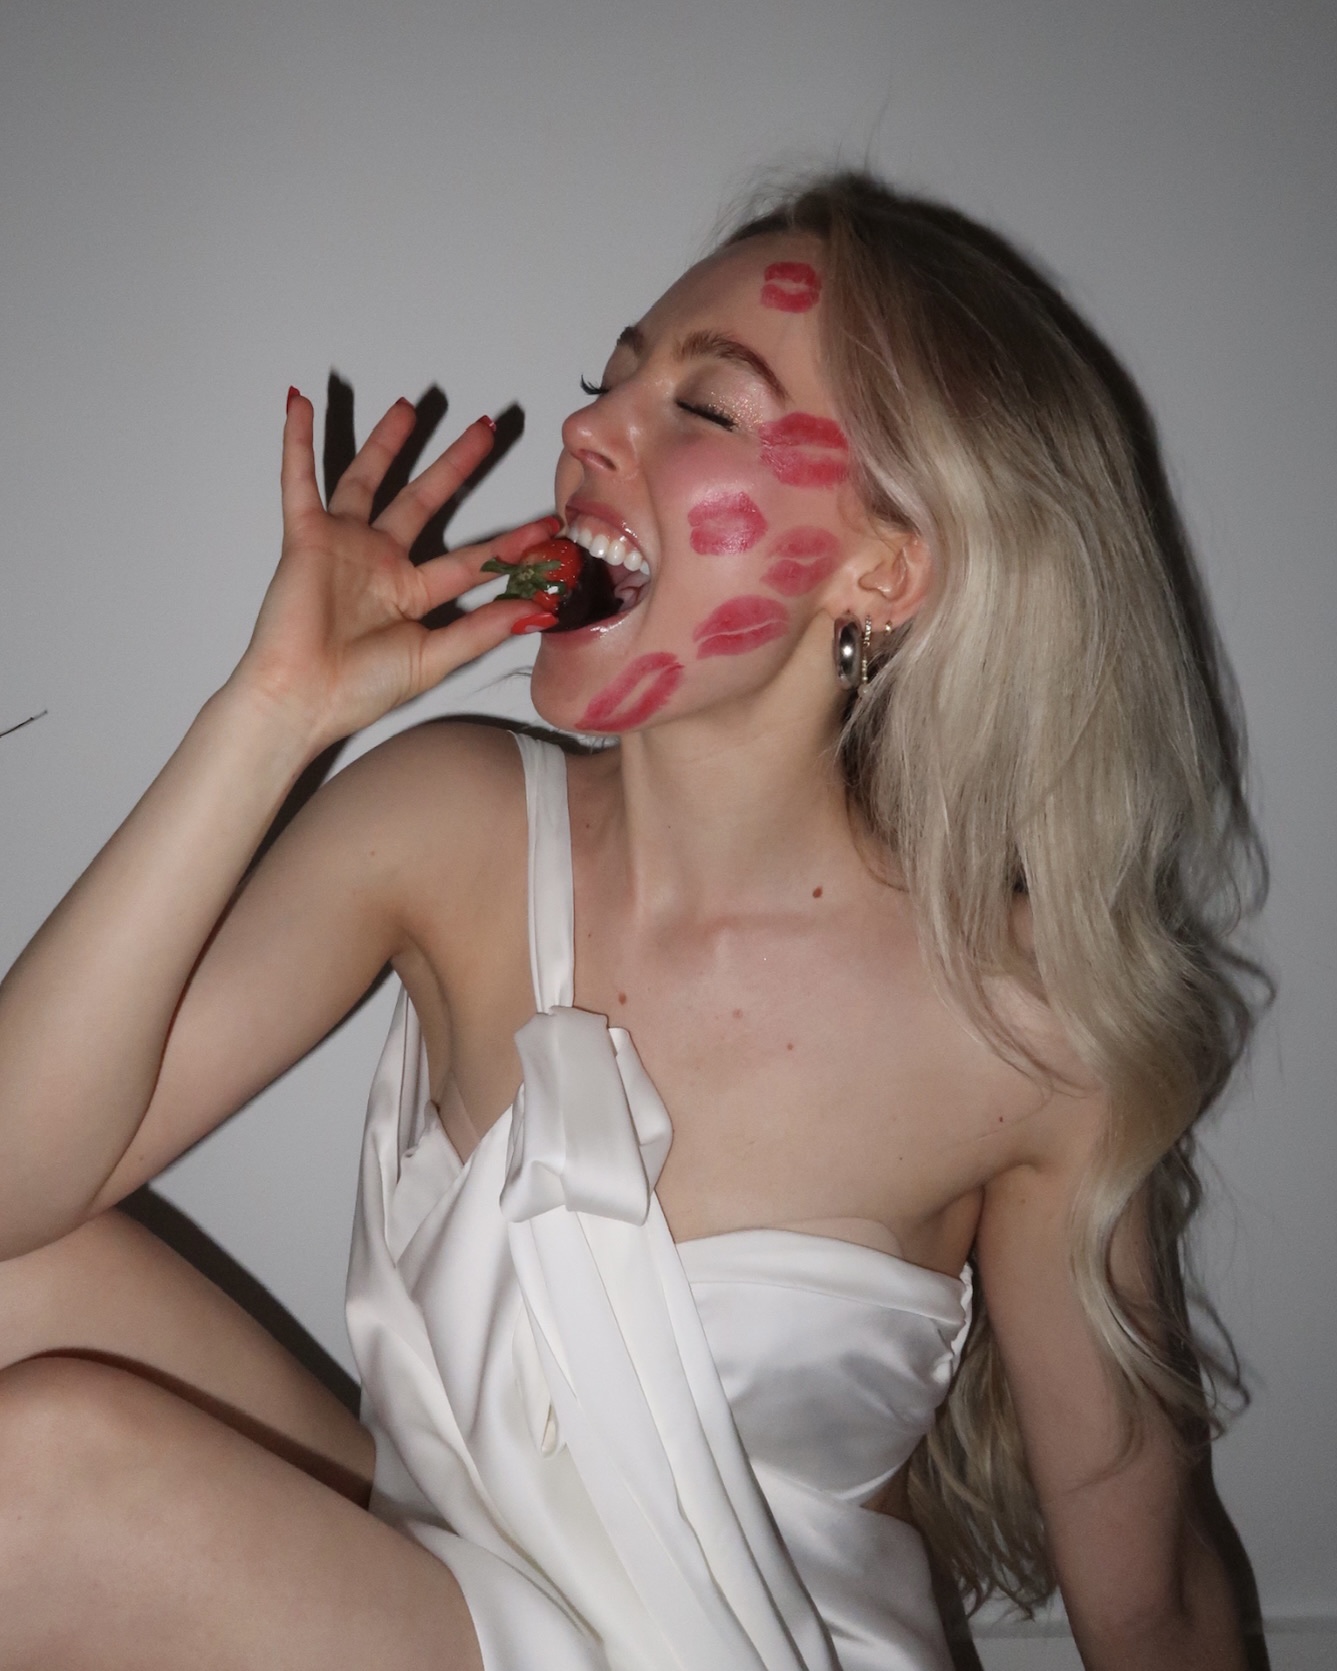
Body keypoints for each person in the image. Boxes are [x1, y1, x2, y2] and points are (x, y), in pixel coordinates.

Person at [0, 172, 1264, 1670]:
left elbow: (1154, 1601)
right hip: (450, 1586)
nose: (590, 432)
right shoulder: (449, 820)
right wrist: (269, 715)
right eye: (607, 385)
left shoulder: (1028, 1033)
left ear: (882, 566)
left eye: (705, 409)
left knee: (38, 1478)